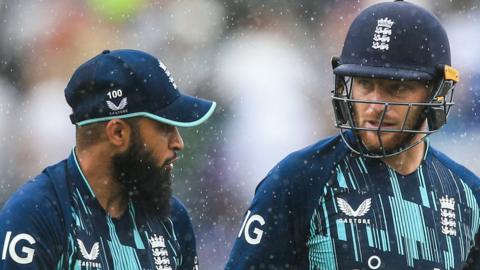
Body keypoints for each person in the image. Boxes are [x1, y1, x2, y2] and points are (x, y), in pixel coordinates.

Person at [226, 1, 480, 269]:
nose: (374, 105)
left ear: (435, 92)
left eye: (396, 88)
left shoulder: (468, 195)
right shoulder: (299, 180)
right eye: (364, 84)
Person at [0, 49, 216, 269]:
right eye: (164, 127)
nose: (178, 142)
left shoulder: (172, 218)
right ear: (118, 133)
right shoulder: (36, 215)